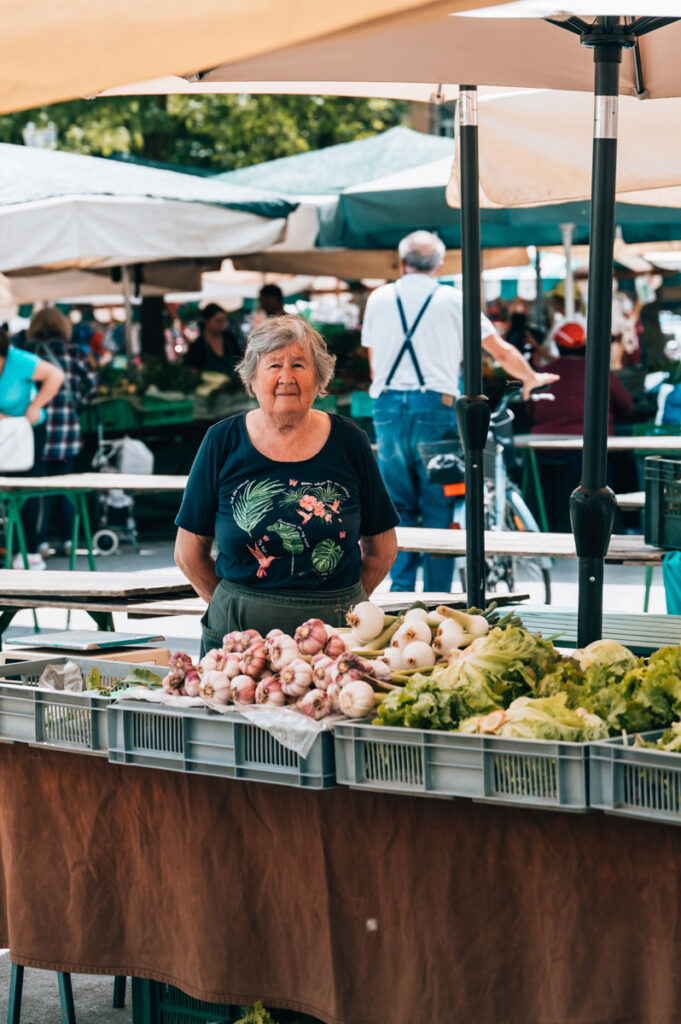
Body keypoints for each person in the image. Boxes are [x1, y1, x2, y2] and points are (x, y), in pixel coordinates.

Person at [174, 315, 398, 654]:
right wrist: (232, 603)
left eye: (299, 364)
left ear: (319, 376)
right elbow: (188, 553)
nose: (286, 377)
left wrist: (345, 605)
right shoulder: (222, 441)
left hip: (334, 638)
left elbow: (382, 549)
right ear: (252, 377)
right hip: (239, 638)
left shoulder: (349, 441)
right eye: (274, 365)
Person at [361, 230, 558, 593]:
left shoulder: (379, 298)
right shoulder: (453, 299)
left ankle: (401, 590)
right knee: (438, 503)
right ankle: (436, 595)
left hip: (387, 407)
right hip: (437, 408)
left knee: (396, 504)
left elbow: (374, 367)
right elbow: (497, 350)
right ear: (438, 264)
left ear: (401, 262)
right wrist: (530, 377)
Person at [530, 320, 634, 531]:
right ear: (586, 346)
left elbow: (529, 411)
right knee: (628, 466)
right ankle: (630, 524)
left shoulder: (543, 373)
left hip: (543, 453)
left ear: (558, 347)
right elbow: (627, 406)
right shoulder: (601, 372)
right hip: (595, 453)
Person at [27, 308, 99, 558]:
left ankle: (40, 542)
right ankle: (69, 540)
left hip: (38, 428)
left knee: (38, 489)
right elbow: (92, 383)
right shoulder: (76, 351)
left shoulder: (31, 353)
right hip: (67, 430)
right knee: (66, 486)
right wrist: (76, 403)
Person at [0, 325, 64, 569]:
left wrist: (35, 406)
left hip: (28, 431)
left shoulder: (20, 360)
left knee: (28, 487)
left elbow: (55, 376)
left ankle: (29, 550)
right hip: (4, 427)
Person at [183, 303, 242, 375]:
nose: (221, 324)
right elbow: (191, 369)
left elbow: (240, 359)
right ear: (206, 321)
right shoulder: (197, 346)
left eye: (223, 320)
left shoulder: (230, 338)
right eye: (217, 321)